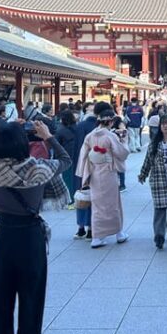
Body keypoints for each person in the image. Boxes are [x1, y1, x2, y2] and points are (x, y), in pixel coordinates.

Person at [0, 120, 70, 334]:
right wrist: (47, 136)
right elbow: (66, 159)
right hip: (30, 238)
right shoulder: (39, 169)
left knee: (0, 302)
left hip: (3, 237)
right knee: (32, 301)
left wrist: (6, 128)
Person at [76, 103, 130, 248]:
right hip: (108, 172)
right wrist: (124, 140)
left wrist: (83, 173)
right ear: (111, 121)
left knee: (98, 205)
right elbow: (122, 153)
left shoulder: (90, 136)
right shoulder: (110, 136)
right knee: (113, 204)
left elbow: (84, 155)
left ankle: (97, 237)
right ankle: (119, 233)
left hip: (94, 173)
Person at [138, 115, 167, 248]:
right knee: (159, 208)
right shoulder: (154, 143)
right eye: (163, 124)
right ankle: (159, 235)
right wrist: (143, 174)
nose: (165, 126)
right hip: (158, 179)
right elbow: (148, 160)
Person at [72, 102, 97, 239]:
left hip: (80, 166)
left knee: (81, 197)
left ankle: (80, 227)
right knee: (93, 199)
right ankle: (91, 228)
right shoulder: (98, 129)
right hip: (95, 168)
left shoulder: (79, 126)